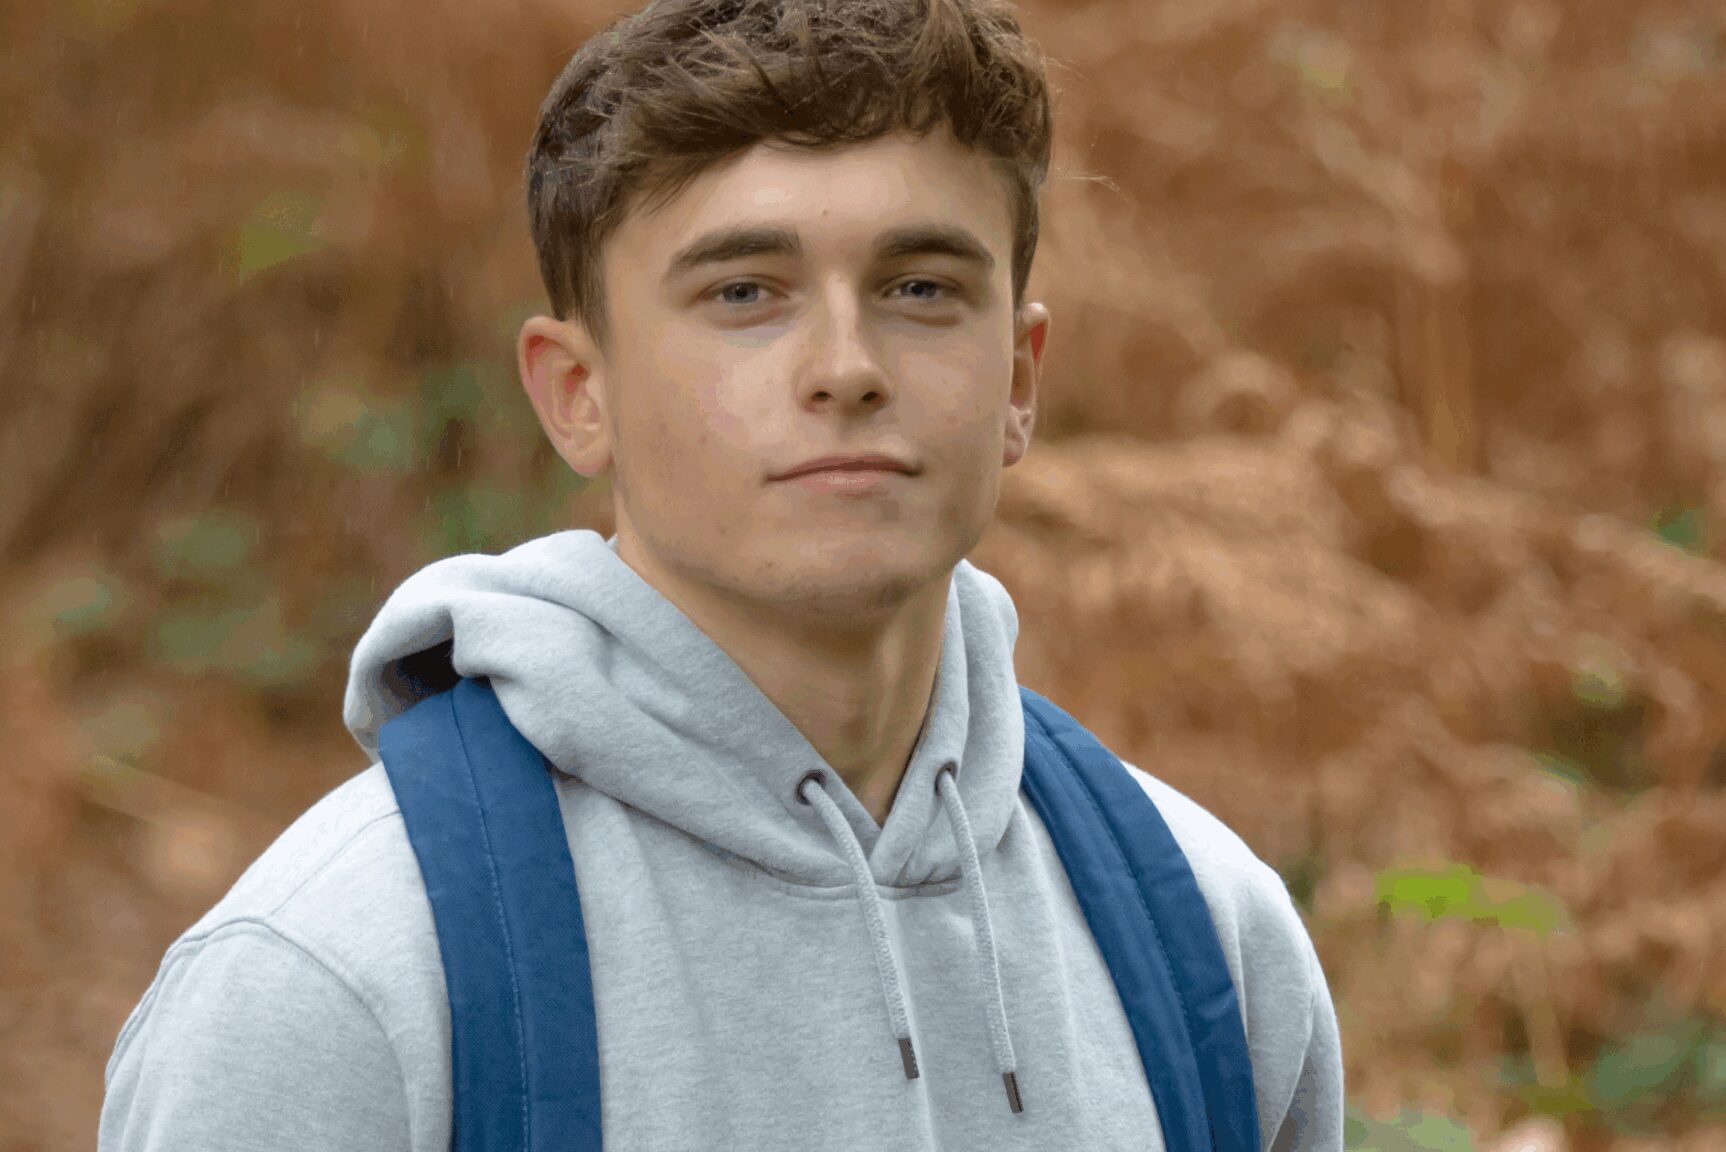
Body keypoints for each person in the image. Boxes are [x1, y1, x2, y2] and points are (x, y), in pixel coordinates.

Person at [97, 0, 1345, 1147]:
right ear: (578, 396)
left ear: (1017, 380)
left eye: (920, 287)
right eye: (745, 293)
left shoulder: (1208, 943)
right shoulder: (338, 982)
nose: (846, 366)